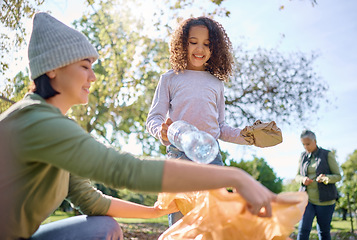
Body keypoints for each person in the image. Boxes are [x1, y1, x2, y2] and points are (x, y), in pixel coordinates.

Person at [0, 12, 278, 240]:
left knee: (106, 227)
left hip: (210, 157)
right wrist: (235, 177)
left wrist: (155, 211)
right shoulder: (38, 122)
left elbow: (90, 201)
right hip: (181, 155)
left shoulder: (57, 126)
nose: (94, 77)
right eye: (85, 66)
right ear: (53, 68)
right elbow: (124, 169)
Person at [146, 16, 262, 226]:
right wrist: (161, 132)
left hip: (211, 157)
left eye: (207, 44)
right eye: (193, 42)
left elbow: (220, 128)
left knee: (212, 220)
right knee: (182, 222)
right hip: (179, 155)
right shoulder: (170, 79)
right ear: (182, 44)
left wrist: (248, 137)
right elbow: (153, 119)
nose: (200, 49)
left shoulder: (216, 84)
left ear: (214, 49)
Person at [295, 130, 341, 240]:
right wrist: (303, 179)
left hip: (326, 201)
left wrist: (326, 178)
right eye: (303, 144)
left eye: (308, 144)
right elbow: (297, 176)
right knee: (303, 230)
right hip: (307, 200)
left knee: (323, 232)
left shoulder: (327, 154)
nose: (306, 147)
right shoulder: (302, 156)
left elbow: (338, 176)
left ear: (314, 141)